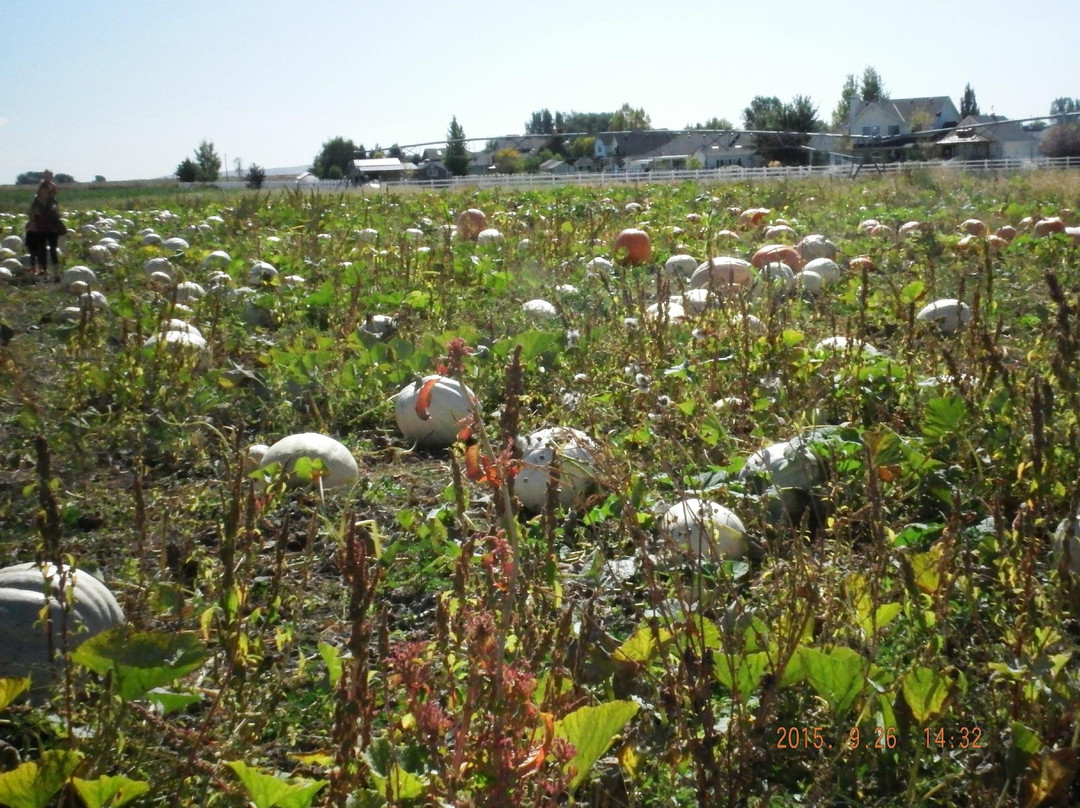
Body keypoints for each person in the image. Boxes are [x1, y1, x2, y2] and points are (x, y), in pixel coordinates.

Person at [25, 175, 64, 279]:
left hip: (52, 228)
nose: (44, 194)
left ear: (48, 192)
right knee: (41, 250)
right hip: (40, 229)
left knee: (53, 250)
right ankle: (45, 272)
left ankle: (56, 273)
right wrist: (34, 213)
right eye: (42, 192)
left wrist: (56, 211)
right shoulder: (35, 202)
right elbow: (31, 217)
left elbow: (58, 215)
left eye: (46, 192)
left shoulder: (53, 201)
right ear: (39, 192)